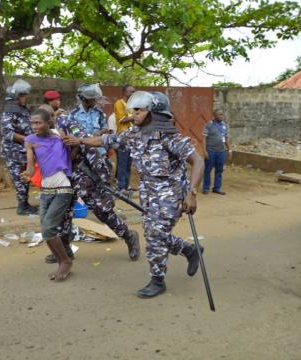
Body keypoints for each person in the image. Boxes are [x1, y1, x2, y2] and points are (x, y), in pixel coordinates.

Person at [64, 91, 205, 298]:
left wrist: (192, 193)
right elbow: (106, 140)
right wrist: (80, 141)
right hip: (148, 195)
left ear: (154, 112)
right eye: (134, 110)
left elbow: (198, 161)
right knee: (153, 233)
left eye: (139, 110)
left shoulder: (170, 137)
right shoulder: (133, 134)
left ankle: (157, 280)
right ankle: (189, 250)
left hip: (171, 195)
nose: (134, 113)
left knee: (155, 234)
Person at [54, 109, 141, 263]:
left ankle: (129, 236)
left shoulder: (66, 123)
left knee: (102, 211)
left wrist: (102, 177)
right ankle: (64, 251)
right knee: (62, 212)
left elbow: (88, 145)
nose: (35, 126)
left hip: (83, 175)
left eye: (39, 123)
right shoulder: (39, 133)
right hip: (63, 178)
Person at [21, 109, 73, 281]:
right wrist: (27, 174)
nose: (34, 126)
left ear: (48, 123)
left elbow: (74, 151)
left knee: (49, 226)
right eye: (32, 123)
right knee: (45, 229)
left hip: (63, 187)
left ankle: (65, 262)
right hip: (46, 189)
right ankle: (63, 259)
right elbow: (30, 165)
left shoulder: (60, 135)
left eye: (38, 123)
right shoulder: (30, 141)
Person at [0, 79, 38, 215]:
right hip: (13, 152)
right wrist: (27, 139)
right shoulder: (9, 111)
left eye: (25, 95)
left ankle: (25, 203)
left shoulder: (22, 109)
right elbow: (7, 133)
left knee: (25, 177)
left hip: (24, 151)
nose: (25, 98)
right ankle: (22, 207)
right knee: (19, 178)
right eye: (22, 95)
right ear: (16, 97)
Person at [202, 109, 231, 195]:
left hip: (221, 151)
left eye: (222, 114)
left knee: (219, 170)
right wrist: (204, 151)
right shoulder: (209, 125)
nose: (221, 116)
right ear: (214, 115)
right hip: (211, 151)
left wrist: (229, 150)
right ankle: (206, 188)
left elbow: (226, 139)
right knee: (208, 170)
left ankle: (217, 188)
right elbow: (204, 139)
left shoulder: (224, 125)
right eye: (219, 114)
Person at [114, 85, 136, 192]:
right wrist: (136, 117)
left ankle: (126, 186)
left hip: (131, 137)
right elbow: (122, 120)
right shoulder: (119, 103)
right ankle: (121, 187)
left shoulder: (132, 105)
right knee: (122, 163)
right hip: (122, 137)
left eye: (134, 92)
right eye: (131, 91)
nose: (133, 93)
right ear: (124, 92)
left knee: (128, 163)